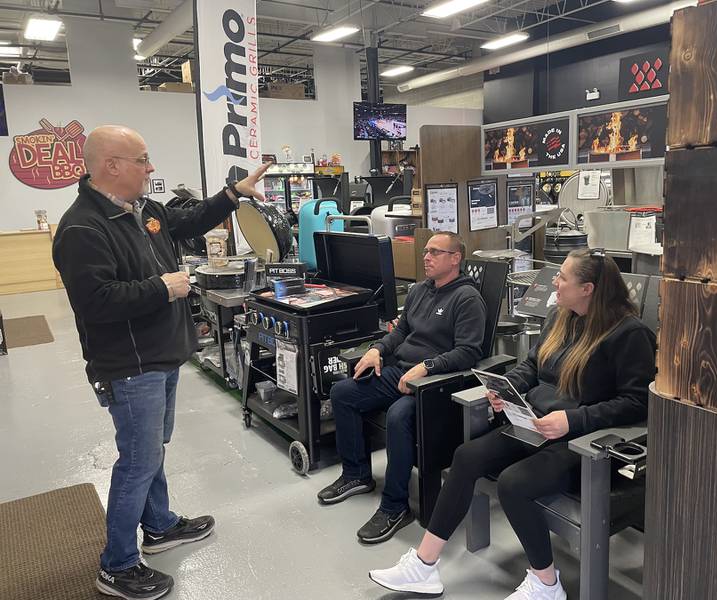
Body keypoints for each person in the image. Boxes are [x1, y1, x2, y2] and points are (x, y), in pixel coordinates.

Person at [52, 125, 268, 600]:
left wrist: (232, 195)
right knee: (138, 459)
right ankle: (117, 564)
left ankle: (160, 526)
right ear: (111, 165)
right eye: (142, 160)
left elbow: (185, 223)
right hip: (128, 366)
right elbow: (96, 302)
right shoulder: (82, 229)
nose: (151, 169)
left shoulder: (143, 209)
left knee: (153, 448)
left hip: (161, 354)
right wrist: (164, 288)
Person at [368, 248, 657, 600]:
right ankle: (424, 566)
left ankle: (547, 585)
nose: (555, 281)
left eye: (563, 277)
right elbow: (533, 365)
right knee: (466, 456)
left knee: (513, 483)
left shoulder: (629, 334)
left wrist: (572, 420)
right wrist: (508, 388)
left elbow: (636, 403)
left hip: (585, 440)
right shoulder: (560, 317)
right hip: (536, 424)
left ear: (588, 289)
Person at [317, 232, 487, 544]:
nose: (427, 257)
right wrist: (377, 350)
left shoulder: (467, 299)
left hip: (435, 386)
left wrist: (428, 367)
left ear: (455, 258)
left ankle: (396, 506)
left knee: (398, 416)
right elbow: (402, 331)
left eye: (435, 252)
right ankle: (356, 474)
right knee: (343, 393)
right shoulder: (421, 290)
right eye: (426, 251)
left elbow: (470, 352)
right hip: (400, 371)